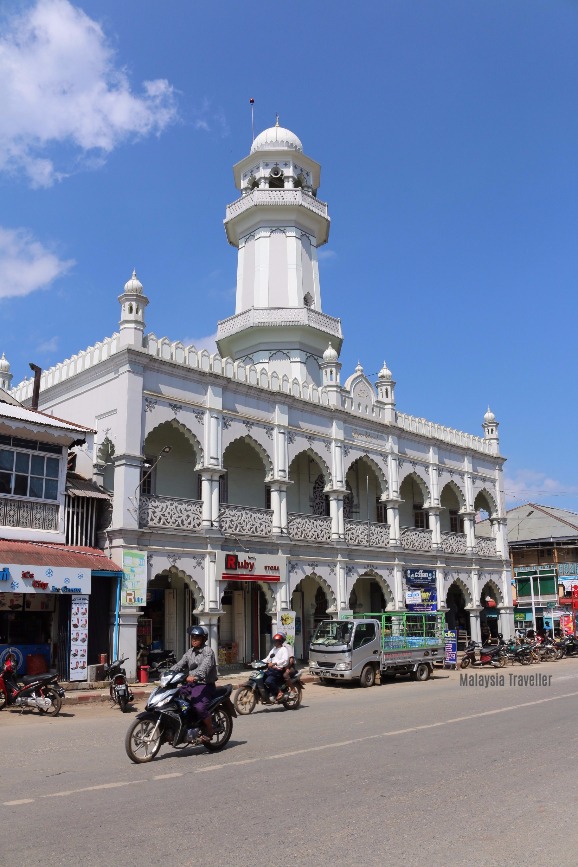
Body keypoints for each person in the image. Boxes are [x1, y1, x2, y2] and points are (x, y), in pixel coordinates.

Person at [172, 625, 218, 743]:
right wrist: (169, 672)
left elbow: (205, 667)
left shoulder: (208, 652)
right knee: (174, 698)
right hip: (191, 684)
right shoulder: (190, 652)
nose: (194, 639)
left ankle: (210, 730)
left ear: (203, 639)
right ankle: (183, 725)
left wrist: (196, 677)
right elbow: (180, 664)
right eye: (193, 637)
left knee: (199, 707)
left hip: (204, 685)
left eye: (197, 637)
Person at [262, 632, 290, 701]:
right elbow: (267, 659)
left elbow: (285, 660)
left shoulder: (284, 649)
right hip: (271, 670)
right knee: (261, 677)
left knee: (269, 681)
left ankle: (279, 692)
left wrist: (275, 663)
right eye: (274, 641)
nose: (275, 642)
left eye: (276, 641)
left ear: (280, 641)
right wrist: (259, 662)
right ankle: (268, 693)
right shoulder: (274, 649)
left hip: (278, 670)